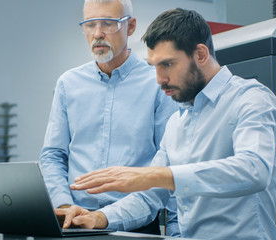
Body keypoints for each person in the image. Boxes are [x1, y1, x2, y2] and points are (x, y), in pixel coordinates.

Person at [56, 8, 276, 240]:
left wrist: (156, 176)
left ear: (201, 55)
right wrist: (98, 218)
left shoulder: (251, 99)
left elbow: (254, 169)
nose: (159, 79)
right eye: (154, 66)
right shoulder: (178, 121)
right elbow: (149, 197)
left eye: (167, 65)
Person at [40, 0, 179, 235]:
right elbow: (53, 155)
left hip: (136, 226)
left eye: (108, 23)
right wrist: (64, 206)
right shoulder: (68, 83)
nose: (97, 34)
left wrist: (176, 231)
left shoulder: (157, 83)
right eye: (90, 24)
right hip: (74, 222)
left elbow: (167, 166)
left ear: (131, 27)